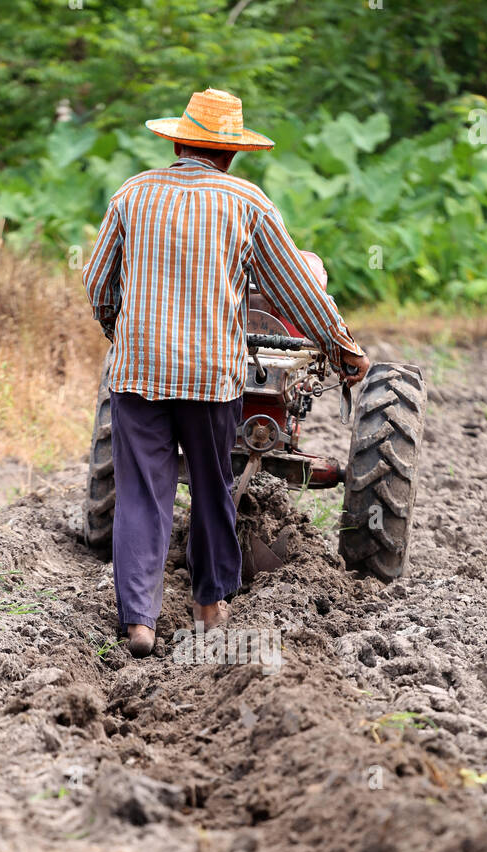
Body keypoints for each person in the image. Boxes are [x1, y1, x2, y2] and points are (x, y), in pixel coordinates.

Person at [83, 87, 370, 657]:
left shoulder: (132, 195)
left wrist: (124, 330)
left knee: (143, 491)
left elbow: (97, 283)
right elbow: (298, 288)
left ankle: (139, 620)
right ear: (232, 152)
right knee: (214, 485)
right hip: (212, 377)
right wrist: (342, 346)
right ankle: (210, 608)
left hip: (138, 373)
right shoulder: (248, 203)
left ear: (181, 141)